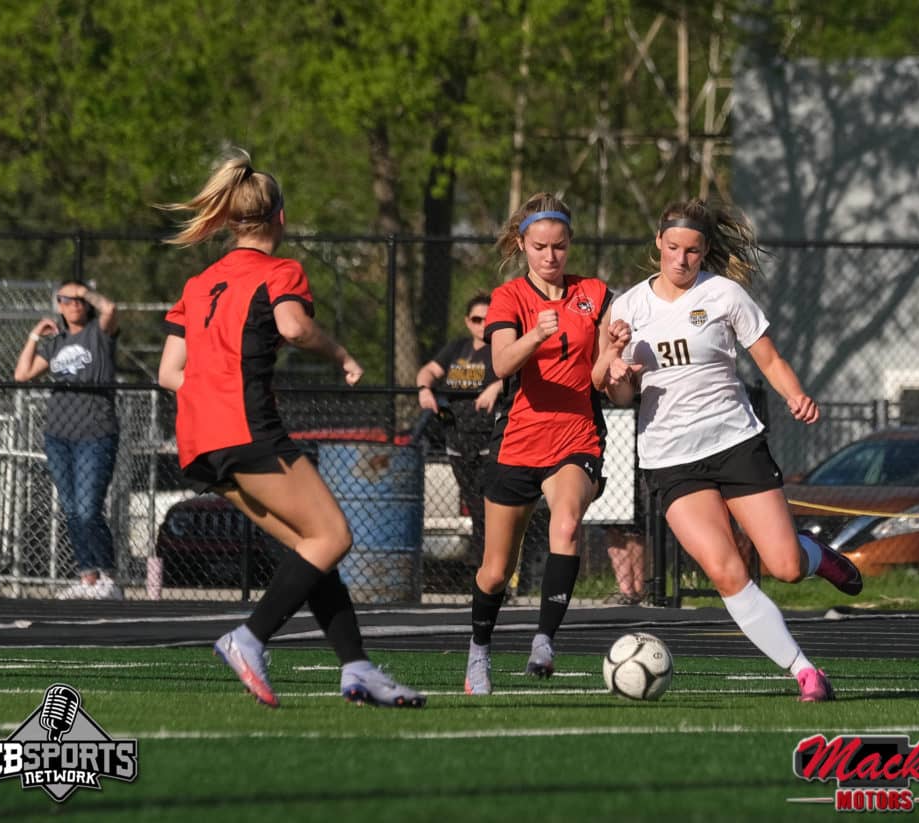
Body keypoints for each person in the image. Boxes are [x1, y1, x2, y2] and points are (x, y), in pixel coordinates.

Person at [156, 148, 424, 709]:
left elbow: (169, 373)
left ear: (231, 220)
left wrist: (212, 392)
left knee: (311, 547)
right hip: (246, 429)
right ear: (280, 216)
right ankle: (249, 638)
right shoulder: (279, 271)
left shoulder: (199, 282)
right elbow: (295, 327)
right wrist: (342, 354)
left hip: (200, 441)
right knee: (334, 537)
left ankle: (356, 667)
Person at [595, 197, 863, 702]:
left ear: (705, 251)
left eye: (693, 251)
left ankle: (814, 555)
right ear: (658, 242)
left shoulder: (724, 295)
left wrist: (796, 395)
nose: (681, 259)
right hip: (671, 459)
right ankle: (805, 671)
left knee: (784, 566)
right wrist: (617, 371)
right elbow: (620, 394)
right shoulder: (628, 307)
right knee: (725, 571)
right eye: (673, 247)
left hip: (734, 443)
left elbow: (770, 359)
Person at [464, 192, 622, 695]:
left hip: (576, 434)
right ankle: (479, 652)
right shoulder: (509, 297)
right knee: (495, 572)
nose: (550, 256)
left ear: (570, 243)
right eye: (540, 247)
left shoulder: (595, 294)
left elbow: (601, 379)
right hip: (518, 440)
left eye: (559, 246)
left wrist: (617, 359)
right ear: (522, 244)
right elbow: (501, 364)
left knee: (567, 523)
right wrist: (534, 335)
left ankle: (544, 642)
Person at [14, 280, 123, 601]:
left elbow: (110, 308)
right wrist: (35, 336)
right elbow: (22, 374)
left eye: (78, 300)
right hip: (58, 436)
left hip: (95, 433)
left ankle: (108, 578)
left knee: (89, 509)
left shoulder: (98, 333)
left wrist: (84, 291)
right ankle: (87, 577)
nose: (74, 304)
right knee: (72, 510)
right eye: (66, 299)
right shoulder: (57, 342)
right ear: (58, 305)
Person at [415, 293, 502, 566]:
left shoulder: (500, 348)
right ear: (467, 321)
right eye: (476, 319)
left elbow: (519, 373)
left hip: (489, 439)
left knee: (492, 507)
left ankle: (493, 568)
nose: (482, 324)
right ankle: (480, 569)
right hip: (457, 437)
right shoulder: (457, 348)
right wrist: (424, 389)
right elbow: (428, 371)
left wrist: (496, 387)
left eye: (488, 319)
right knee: (475, 507)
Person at [603, 474, 649, 605]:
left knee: (635, 532)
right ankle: (625, 590)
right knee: (612, 528)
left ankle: (639, 588)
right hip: (609, 471)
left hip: (636, 473)